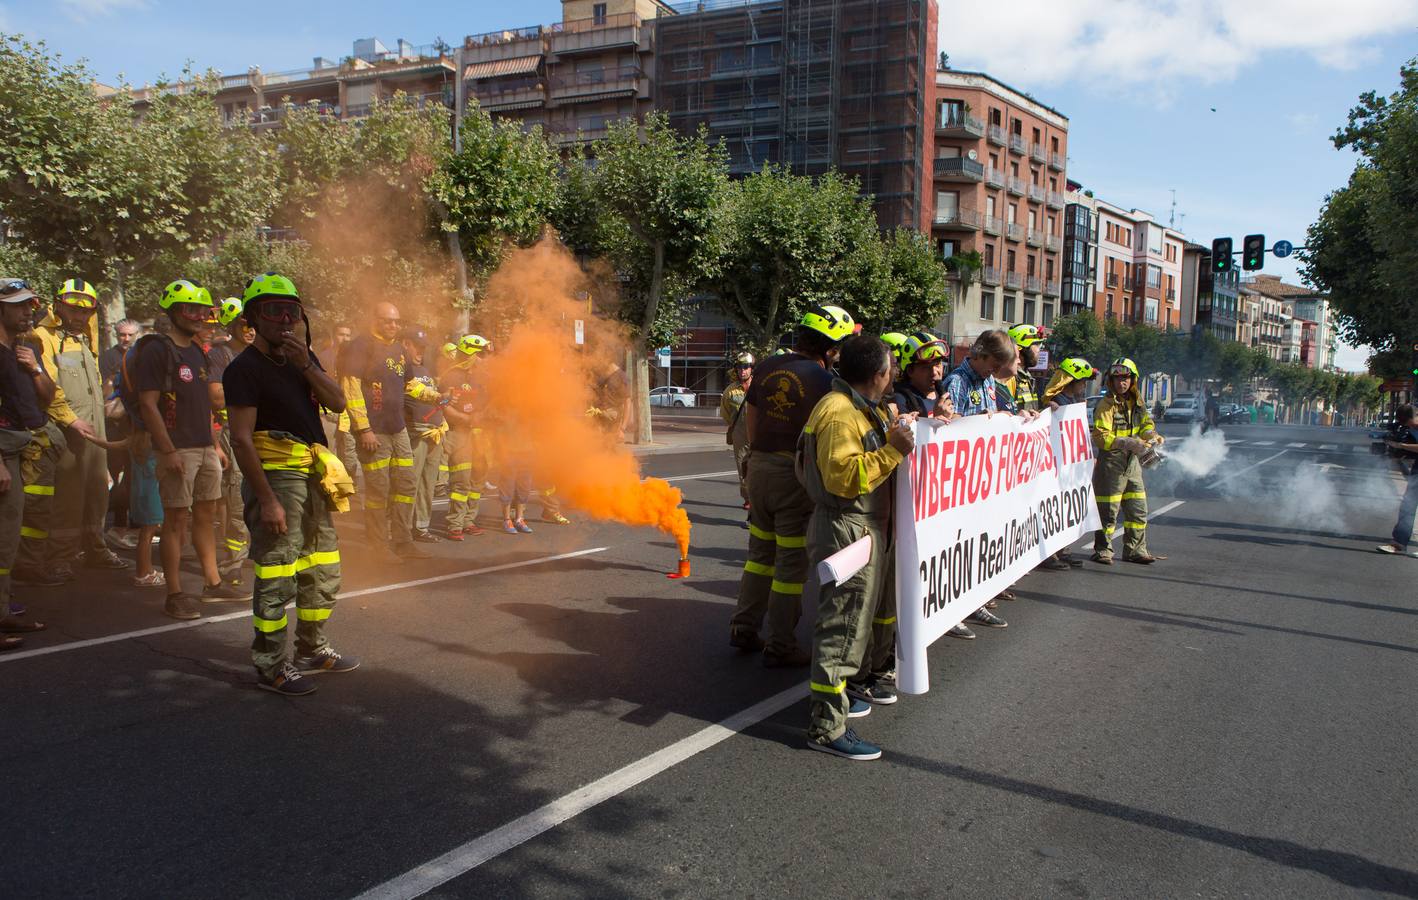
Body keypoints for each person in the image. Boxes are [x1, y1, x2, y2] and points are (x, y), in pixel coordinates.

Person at [224, 272, 356, 696]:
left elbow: (337, 403)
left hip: (313, 472)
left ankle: (312, 649)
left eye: (291, 311)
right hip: (277, 476)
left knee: (321, 568)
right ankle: (272, 665)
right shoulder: (243, 369)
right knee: (278, 571)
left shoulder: (303, 359)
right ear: (252, 318)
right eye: (272, 310)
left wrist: (305, 364)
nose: (284, 319)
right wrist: (267, 501)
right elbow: (242, 439)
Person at [802, 334, 915, 760]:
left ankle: (838, 703)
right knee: (841, 627)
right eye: (891, 369)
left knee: (853, 624)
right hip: (848, 526)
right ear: (879, 373)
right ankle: (827, 727)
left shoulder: (856, 407)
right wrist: (891, 451)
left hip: (863, 525)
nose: (894, 376)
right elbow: (841, 479)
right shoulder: (839, 413)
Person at [730, 304, 855, 668]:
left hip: (760, 471)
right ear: (830, 348)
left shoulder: (768, 366)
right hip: (791, 476)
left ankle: (744, 626)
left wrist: (756, 457)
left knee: (759, 555)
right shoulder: (823, 382)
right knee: (790, 565)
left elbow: (751, 417)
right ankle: (782, 643)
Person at [133, 280, 245, 620]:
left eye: (203, 310)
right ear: (173, 312)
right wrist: (167, 451)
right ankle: (175, 593)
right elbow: (148, 405)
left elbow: (201, 405)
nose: (199, 316)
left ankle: (212, 584)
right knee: (176, 520)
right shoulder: (156, 349)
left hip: (204, 447)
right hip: (177, 450)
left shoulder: (198, 351)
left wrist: (214, 445)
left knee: (207, 516)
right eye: (191, 309)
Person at [23, 279, 129, 580]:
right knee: (67, 497)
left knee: (97, 492)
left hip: (95, 429)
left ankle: (95, 548)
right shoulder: (43, 337)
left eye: (85, 312)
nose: (80, 317)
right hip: (66, 430)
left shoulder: (86, 339)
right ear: (58, 307)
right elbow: (49, 388)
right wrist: (70, 420)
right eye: (72, 310)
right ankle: (60, 556)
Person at [338, 301, 438, 561]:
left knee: (406, 485)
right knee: (378, 490)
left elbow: (410, 384)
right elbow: (351, 389)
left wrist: (435, 396)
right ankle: (377, 547)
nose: (393, 325)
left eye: (396, 321)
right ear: (375, 319)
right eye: (387, 320)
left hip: (398, 429)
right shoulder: (361, 345)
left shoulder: (398, 349)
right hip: (374, 431)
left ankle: (403, 542)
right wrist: (364, 429)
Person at [941, 330, 1017, 637]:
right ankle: (951, 611)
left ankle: (974, 601)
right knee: (955, 546)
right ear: (981, 354)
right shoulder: (956, 382)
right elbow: (948, 427)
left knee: (977, 544)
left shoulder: (988, 382)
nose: (995, 373)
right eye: (993, 365)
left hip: (981, 482)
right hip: (957, 483)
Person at [0, 279, 57, 647]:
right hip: (2, 452)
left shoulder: (21, 350)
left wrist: (36, 368)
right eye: (18, 305)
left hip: (19, 448)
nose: (27, 311)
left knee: (7, 541)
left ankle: (3, 612)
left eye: (29, 304)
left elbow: (48, 397)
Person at [1091, 358, 1166, 565]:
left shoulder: (1138, 403)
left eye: (1125, 378)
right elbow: (1100, 437)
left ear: (1133, 380)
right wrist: (1127, 442)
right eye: (1117, 379)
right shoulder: (1105, 405)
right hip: (1112, 463)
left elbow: (1146, 425)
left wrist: (1152, 436)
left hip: (1133, 463)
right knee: (1108, 511)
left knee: (1138, 508)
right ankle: (1103, 550)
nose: (1121, 383)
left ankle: (1135, 550)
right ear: (1111, 380)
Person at [207, 297, 254, 582]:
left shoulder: (261, 354)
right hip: (234, 431)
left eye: (253, 326)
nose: (250, 331)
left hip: (261, 431)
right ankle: (232, 563)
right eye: (244, 325)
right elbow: (215, 395)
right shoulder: (220, 354)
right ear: (234, 325)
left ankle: (260, 552)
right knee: (237, 497)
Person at [439, 334, 490, 539]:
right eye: (480, 354)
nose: (482, 358)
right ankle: (455, 524)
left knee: (478, 478)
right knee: (461, 480)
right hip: (458, 433)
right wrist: (465, 419)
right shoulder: (451, 376)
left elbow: (488, 402)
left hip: (479, 434)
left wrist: (482, 417)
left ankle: (469, 520)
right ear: (469, 352)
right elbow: (443, 406)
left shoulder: (481, 376)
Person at [101, 318, 142, 550]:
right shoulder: (109, 357)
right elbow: (106, 389)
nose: (125, 339)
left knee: (134, 475)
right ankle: (117, 524)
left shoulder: (142, 355)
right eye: (122, 335)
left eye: (130, 335)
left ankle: (136, 524)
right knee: (118, 474)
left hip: (135, 423)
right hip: (116, 425)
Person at [402, 327, 446, 543]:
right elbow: (415, 395)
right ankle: (401, 528)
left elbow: (437, 401)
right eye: (417, 347)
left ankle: (421, 527)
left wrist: (446, 401)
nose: (420, 352)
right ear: (406, 344)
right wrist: (438, 396)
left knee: (428, 483)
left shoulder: (426, 371)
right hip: (416, 434)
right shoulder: (402, 370)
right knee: (410, 482)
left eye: (423, 348)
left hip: (436, 433)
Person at [1378, 403, 1418, 556]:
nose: (1412, 427)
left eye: (1411, 424)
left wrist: (1401, 445)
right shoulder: (1410, 428)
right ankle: (1399, 543)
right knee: (1409, 503)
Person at [719, 351, 754, 509]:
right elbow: (725, 413)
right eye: (740, 367)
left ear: (751, 368)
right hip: (740, 436)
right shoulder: (730, 391)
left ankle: (759, 498)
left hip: (759, 436)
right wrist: (736, 426)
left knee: (760, 469)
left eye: (746, 367)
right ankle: (748, 500)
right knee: (743, 469)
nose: (743, 371)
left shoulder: (760, 387)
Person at [1002, 323, 1045, 412]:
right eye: (1037, 345)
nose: (1039, 350)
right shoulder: (1009, 378)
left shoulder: (1027, 378)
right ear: (1022, 348)